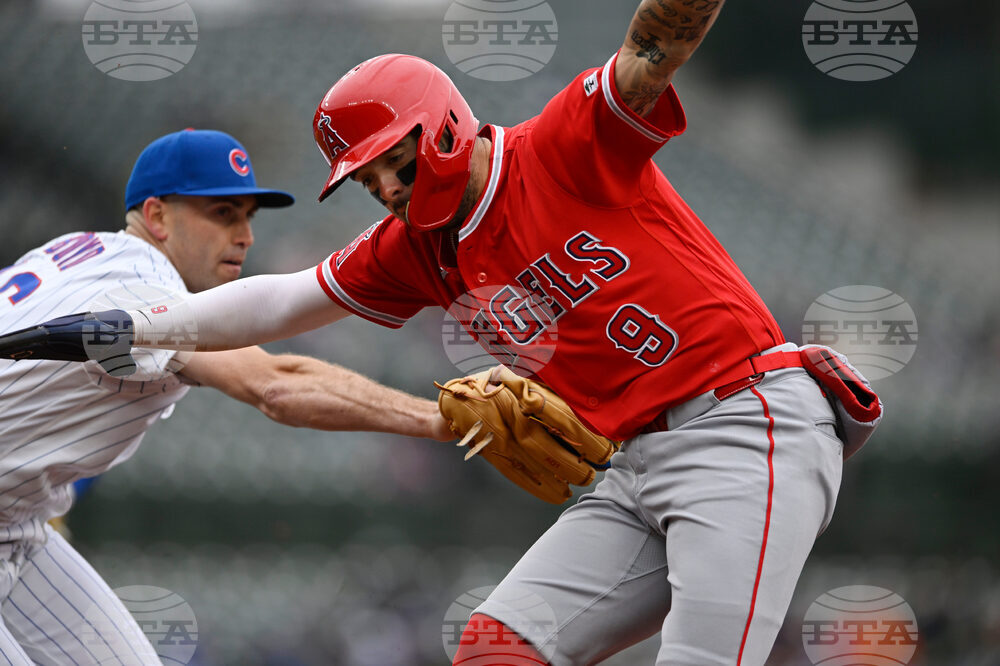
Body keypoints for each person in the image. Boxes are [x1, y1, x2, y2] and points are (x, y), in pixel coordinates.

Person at [0, 1, 885, 663]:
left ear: (447, 123)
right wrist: (155, 325)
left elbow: (651, 52)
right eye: (367, 176)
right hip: (636, 463)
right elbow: (279, 305)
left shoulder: (563, 147)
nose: (385, 186)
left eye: (394, 158)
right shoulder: (412, 250)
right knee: (496, 648)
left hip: (744, 421)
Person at [0, 128, 450, 664]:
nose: (244, 236)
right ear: (158, 216)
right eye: (222, 213)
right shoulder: (144, 292)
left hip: (17, 524)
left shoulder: (72, 252)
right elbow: (278, 385)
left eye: (248, 217)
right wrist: (440, 418)